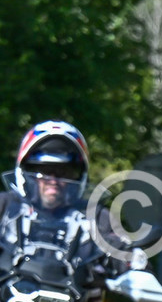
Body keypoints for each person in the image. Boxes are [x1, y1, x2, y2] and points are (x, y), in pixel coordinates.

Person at [0, 121, 137, 282]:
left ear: (79, 176)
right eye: (44, 171)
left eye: (64, 172)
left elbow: (123, 249)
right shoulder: (5, 206)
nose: (53, 180)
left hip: (79, 296)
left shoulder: (96, 217)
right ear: (25, 172)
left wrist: (138, 268)